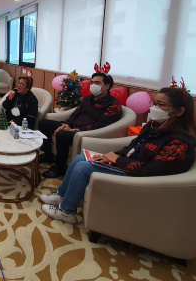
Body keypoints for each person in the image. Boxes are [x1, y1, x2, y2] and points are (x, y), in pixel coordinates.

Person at [40, 86, 196, 224]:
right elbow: (132, 146)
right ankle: (62, 195)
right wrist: (112, 155)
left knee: (83, 168)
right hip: (126, 163)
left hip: (139, 178)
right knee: (81, 157)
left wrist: (118, 160)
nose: (155, 108)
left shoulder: (180, 142)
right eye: (154, 103)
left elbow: (151, 171)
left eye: (161, 104)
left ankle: (66, 212)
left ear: (179, 111)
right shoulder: (154, 126)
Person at [38, 71, 122, 178]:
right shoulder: (88, 98)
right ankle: (48, 155)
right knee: (43, 123)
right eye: (92, 83)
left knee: (62, 134)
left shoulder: (113, 105)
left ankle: (59, 168)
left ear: (107, 86)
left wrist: (75, 130)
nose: (93, 85)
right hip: (72, 127)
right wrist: (65, 125)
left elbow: (100, 126)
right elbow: (75, 113)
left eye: (97, 83)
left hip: (86, 133)